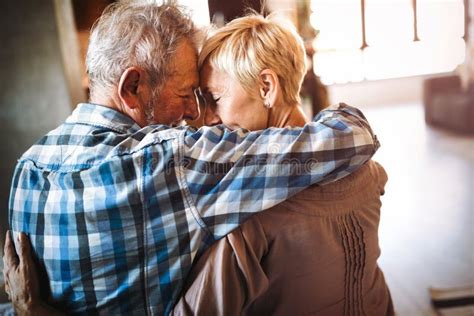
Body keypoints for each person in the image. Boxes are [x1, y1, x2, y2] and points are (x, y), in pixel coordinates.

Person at [5, 3, 379, 315]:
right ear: (132, 88)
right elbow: (351, 138)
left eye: (207, 98)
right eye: (187, 94)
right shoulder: (174, 161)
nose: (192, 113)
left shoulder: (26, 169)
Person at [172, 14, 393, 315]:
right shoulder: (370, 173)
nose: (209, 118)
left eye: (214, 98)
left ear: (266, 87)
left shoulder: (249, 215)